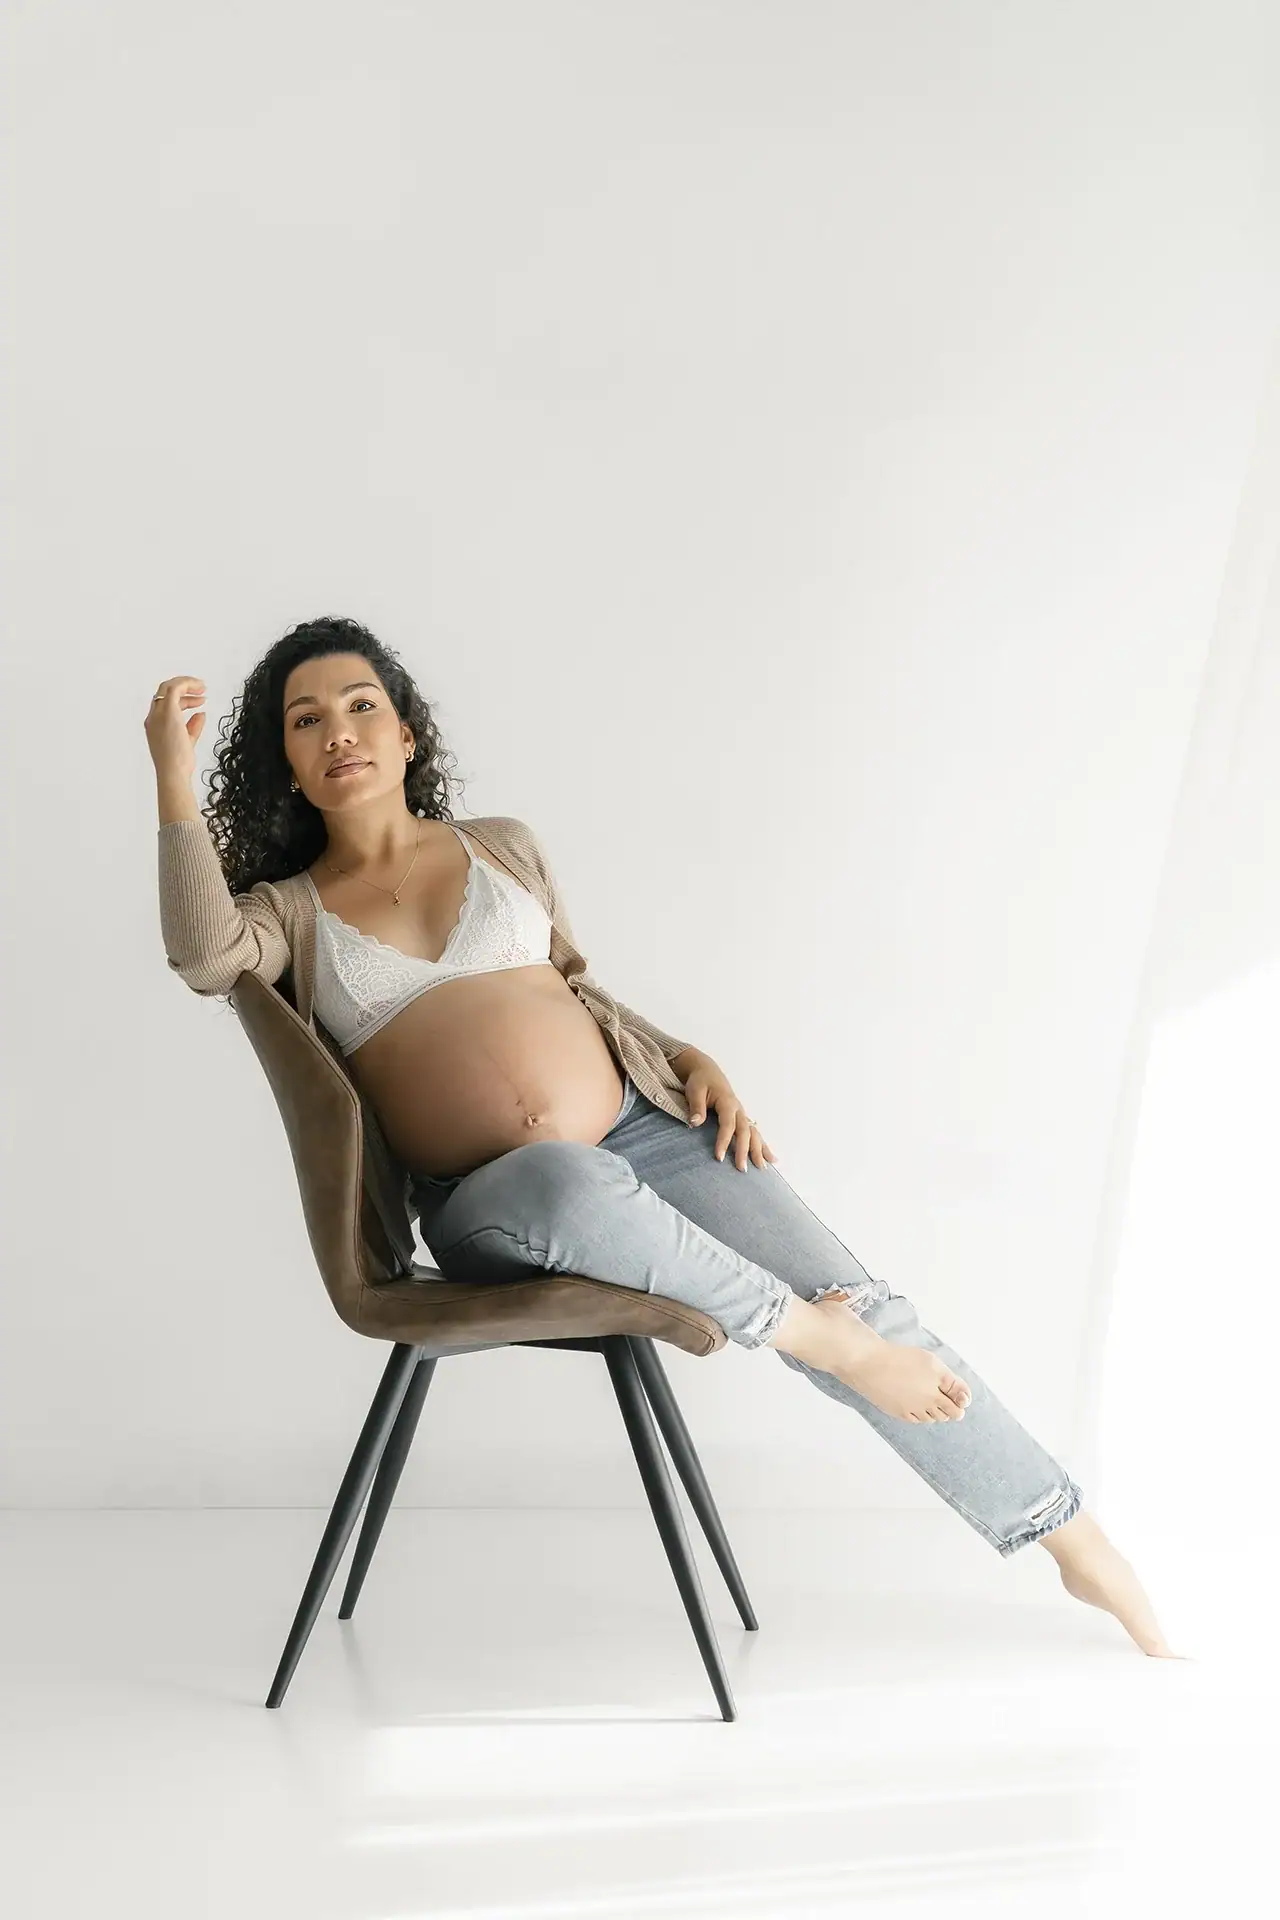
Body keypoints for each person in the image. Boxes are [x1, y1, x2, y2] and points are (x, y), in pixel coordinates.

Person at [146, 614, 1181, 1658]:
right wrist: (171, 778)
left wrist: (686, 1054)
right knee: (571, 1187)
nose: (340, 731)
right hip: (496, 1206)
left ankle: (1074, 1542)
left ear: (408, 734)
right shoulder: (287, 912)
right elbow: (200, 956)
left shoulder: (501, 847)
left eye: (362, 705)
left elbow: (574, 991)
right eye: (306, 719)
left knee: (870, 1306)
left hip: (646, 1129)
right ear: (285, 762)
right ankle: (811, 1337)